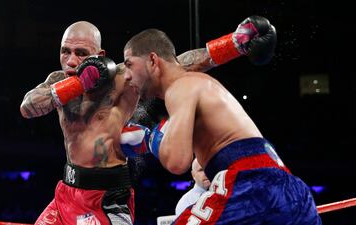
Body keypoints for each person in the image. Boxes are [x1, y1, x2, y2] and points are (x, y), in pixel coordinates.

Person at [20, 21, 243, 225]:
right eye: (65, 51)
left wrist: (233, 44)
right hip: (66, 193)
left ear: (99, 55)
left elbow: (176, 65)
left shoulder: (121, 78)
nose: (70, 60)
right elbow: (27, 107)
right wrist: (77, 85)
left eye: (81, 53)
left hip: (106, 198)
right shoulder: (58, 80)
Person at [123, 16, 322, 224]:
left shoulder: (180, 88)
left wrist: (149, 138)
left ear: (153, 61)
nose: (127, 76)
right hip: (291, 191)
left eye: (129, 64)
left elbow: (177, 161)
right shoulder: (198, 84)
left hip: (248, 185)